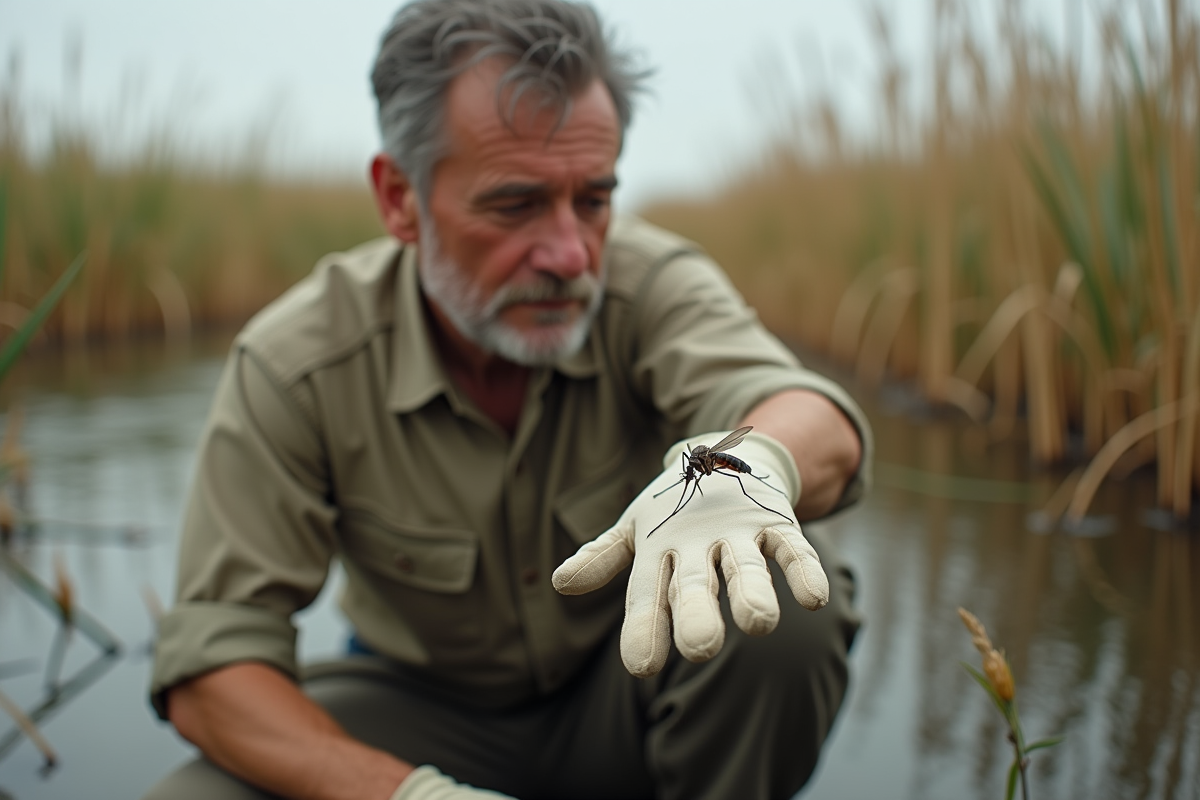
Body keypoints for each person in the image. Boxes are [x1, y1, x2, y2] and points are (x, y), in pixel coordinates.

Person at [144, 1, 872, 798]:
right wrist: (410, 797)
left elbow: (812, 417)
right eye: (514, 204)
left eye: (593, 200)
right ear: (400, 199)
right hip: (418, 710)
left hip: (634, 676)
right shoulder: (295, 365)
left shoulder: (651, 285)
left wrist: (758, 462)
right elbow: (212, 666)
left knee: (790, 607)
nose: (568, 253)